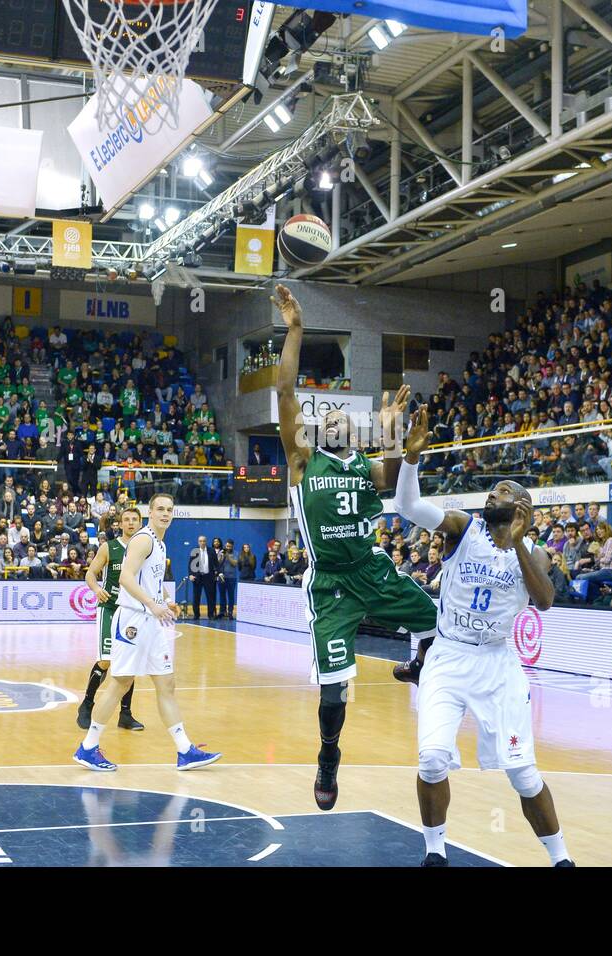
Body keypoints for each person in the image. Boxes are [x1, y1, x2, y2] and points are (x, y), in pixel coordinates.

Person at [272, 283, 435, 811]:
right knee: (335, 689)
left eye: (345, 416)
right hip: (332, 586)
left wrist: (409, 451)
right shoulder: (303, 462)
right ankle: (328, 755)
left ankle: (417, 663)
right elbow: (284, 390)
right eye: (327, 418)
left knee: (435, 617)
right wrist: (296, 329)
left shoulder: (364, 466)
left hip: (373, 570)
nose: (336, 419)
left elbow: (397, 473)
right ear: (316, 432)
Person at [392, 407, 573, 866]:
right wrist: (410, 460)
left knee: (523, 774)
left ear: (522, 509)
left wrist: (517, 546)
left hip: (497, 663)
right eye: (493, 489)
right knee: (432, 759)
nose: (493, 493)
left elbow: (546, 600)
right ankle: (435, 852)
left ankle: (561, 859)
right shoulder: (461, 528)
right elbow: (408, 508)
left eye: (504, 491)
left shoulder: (534, 552)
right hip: (450, 656)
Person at [72, 493, 220, 772]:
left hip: (151, 623)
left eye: (169, 509)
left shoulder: (160, 544)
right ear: (150, 513)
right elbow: (126, 577)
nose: (165, 513)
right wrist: (152, 604)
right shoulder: (144, 539)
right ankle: (88, 747)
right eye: (160, 509)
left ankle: (184, 749)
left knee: (167, 684)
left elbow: (149, 582)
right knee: (120, 683)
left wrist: (165, 602)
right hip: (133, 621)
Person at [76, 508, 144, 734]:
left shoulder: (145, 549)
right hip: (109, 608)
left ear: (141, 522)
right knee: (106, 661)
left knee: (128, 664)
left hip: (131, 611)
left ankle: (125, 714)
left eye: (135, 519)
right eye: (127, 520)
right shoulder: (109, 547)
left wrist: (165, 600)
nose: (131, 523)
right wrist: (96, 589)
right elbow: (90, 573)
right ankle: (87, 704)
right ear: (120, 524)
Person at [188, 534, 217, 620]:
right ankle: (196, 615)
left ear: (206, 542)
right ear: (198, 542)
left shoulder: (211, 551)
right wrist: (190, 575)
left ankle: (211, 615)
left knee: (210, 597)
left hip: (209, 577)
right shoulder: (194, 551)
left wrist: (218, 573)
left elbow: (216, 564)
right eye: (200, 541)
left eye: (204, 541)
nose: (202, 542)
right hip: (198, 577)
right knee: (196, 597)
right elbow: (190, 565)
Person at [218, 539, 238, 619]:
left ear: (232, 546)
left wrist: (227, 556)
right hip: (222, 577)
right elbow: (218, 563)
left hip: (231, 577)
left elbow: (235, 564)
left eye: (229, 546)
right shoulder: (221, 552)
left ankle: (230, 612)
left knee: (231, 596)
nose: (228, 547)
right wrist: (222, 556)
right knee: (222, 595)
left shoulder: (235, 553)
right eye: (227, 546)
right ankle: (222, 611)